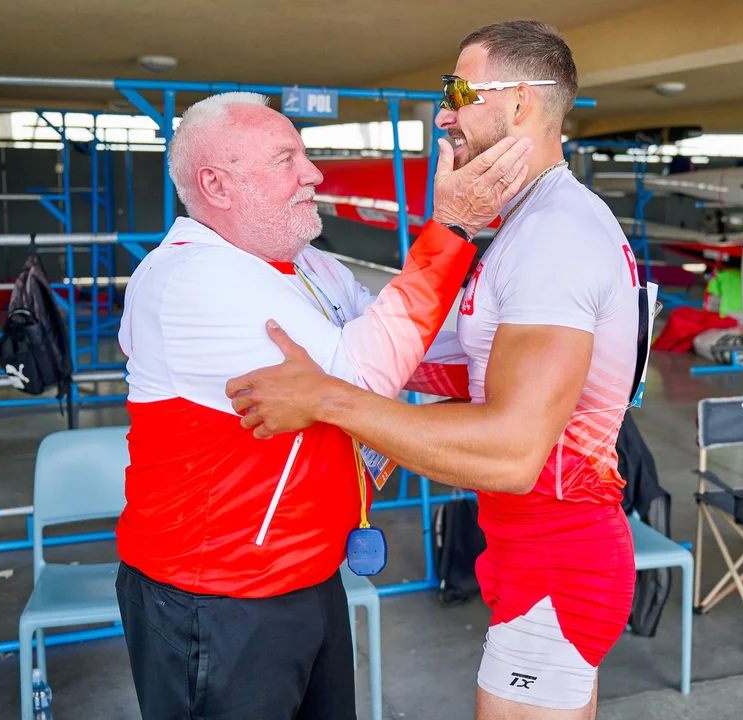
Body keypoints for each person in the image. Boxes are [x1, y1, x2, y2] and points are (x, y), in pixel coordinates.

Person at [226, 20, 643, 720]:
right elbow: (467, 369)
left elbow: (512, 451)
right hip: (533, 554)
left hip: (553, 559)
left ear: (519, 104)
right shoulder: (532, 224)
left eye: (457, 90)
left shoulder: (555, 236)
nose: (444, 112)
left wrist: (333, 401)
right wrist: (338, 334)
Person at [113, 90, 534, 720]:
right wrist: (451, 229)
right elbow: (361, 377)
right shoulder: (192, 280)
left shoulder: (303, 265)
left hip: (307, 570)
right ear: (216, 185)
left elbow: (405, 348)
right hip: (218, 594)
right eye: (286, 159)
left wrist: (535, 347)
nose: (313, 173)